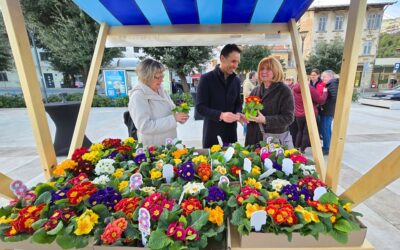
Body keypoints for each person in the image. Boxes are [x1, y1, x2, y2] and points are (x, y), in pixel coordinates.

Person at [128, 58, 189, 146]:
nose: (161, 80)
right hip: (154, 147)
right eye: (157, 77)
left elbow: (170, 112)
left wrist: (180, 116)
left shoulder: (161, 90)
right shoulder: (138, 96)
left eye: (162, 76)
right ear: (145, 77)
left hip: (169, 142)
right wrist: (174, 119)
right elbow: (144, 126)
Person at [196, 44, 244, 148]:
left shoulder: (236, 80)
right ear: (222, 58)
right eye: (233, 61)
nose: (236, 66)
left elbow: (238, 103)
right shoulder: (206, 79)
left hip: (230, 134)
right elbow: (200, 108)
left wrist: (239, 114)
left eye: (237, 62)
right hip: (212, 135)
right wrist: (221, 115)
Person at [245, 56, 295, 148]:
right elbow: (250, 112)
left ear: (276, 71)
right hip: (253, 139)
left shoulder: (284, 91)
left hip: (274, 141)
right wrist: (245, 116)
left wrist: (265, 120)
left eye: (268, 69)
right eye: (261, 69)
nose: (263, 71)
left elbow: (288, 118)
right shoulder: (255, 90)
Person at [292, 82, 327, 153]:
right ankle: (302, 149)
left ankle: (296, 147)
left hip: (298, 114)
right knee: (306, 133)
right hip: (309, 114)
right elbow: (321, 100)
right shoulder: (309, 88)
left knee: (299, 131)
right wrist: (325, 92)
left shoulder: (294, 88)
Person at [320, 70, 339, 155]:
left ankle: (326, 148)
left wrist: (324, 103)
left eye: (324, 76)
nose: (322, 78)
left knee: (325, 129)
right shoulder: (331, 84)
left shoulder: (333, 84)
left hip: (328, 111)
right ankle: (329, 146)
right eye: (322, 76)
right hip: (328, 110)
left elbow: (335, 98)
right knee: (327, 129)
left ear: (330, 76)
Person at [309, 69, 325, 138]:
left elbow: (323, 94)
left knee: (318, 120)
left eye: (314, 75)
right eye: (311, 75)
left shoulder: (322, 84)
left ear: (318, 75)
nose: (312, 76)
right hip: (311, 105)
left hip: (319, 105)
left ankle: (319, 133)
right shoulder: (309, 83)